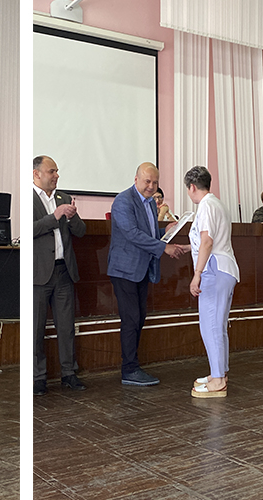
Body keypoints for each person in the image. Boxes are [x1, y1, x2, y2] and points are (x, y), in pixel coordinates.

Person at [107, 162, 182, 386]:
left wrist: (165, 231)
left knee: (138, 318)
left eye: (155, 182)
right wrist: (163, 247)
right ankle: (129, 369)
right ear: (136, 179)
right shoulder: (123, 200)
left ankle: (132, 367)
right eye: (147, 181)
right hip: (124, 270)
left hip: (140, 270)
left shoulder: (150, 203)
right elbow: (132, 234)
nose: (151, 186)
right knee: (131, 319)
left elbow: (147, 233)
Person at [175, 166, 240, 398]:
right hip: (225, 268)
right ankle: (218, 373)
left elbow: (207, 241)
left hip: (214, 269)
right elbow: (208, 241)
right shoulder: (217, 203)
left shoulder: (205, 206)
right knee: (217, 326)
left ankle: (218, 381)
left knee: (210, 326)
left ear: (192, 187)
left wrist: (197, 274)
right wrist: (187, 248)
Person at [33, 155, 87, 396]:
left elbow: (81, 232)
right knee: (36, 329)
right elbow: (29, 230)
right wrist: (54, 217)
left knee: (66, 327)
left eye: (56, 171)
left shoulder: (63, 198)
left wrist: (71, 217)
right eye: (51, 171)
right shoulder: (28, 198)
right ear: (36, 174)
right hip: (38, 274)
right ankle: (37, 377)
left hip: (64, 271)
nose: (56, 175)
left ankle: (69, 373)